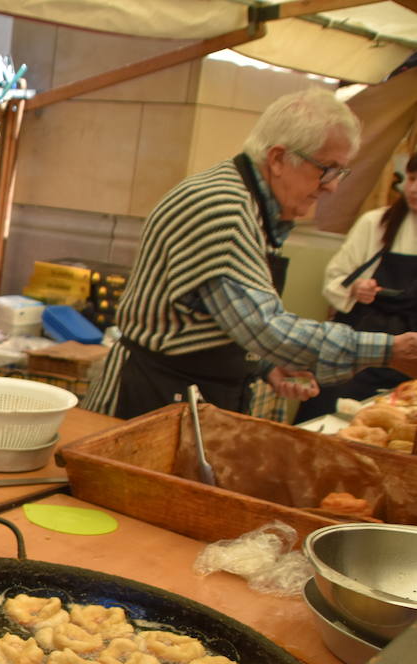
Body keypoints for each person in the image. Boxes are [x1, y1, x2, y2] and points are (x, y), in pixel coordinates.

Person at [84, 88, 417, 420]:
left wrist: (264, 364)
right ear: (277, 159)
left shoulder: (253, 206)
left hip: (190, 392)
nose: (332, 186)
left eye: (340, 172)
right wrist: (387, 350)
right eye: (327, 169)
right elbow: (266, 326)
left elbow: (215, 318)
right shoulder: (222, 209)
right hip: (152, 397)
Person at [294, 153, 417, 422]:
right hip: (359, 347)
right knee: (325, 422)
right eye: (411, 178)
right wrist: (355, 288)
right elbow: (335, 279)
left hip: (410, 356)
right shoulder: (375, 223)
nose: (414, 189)